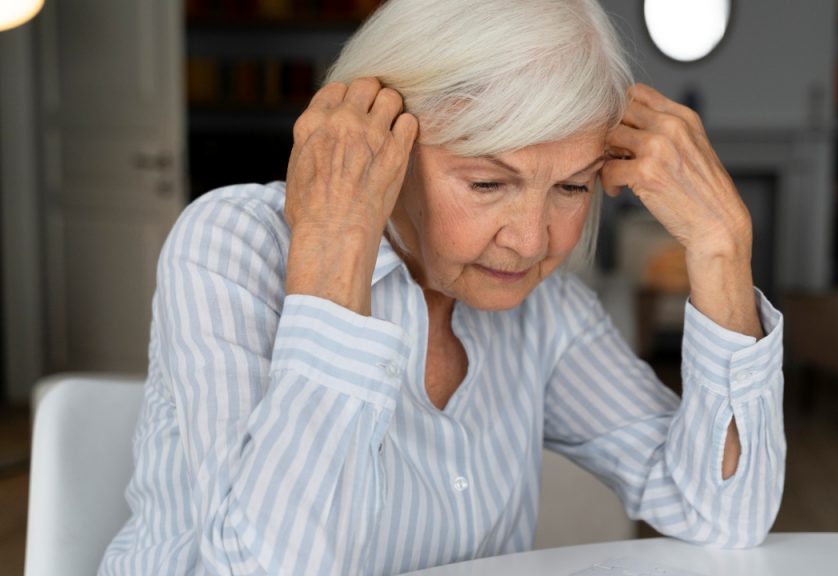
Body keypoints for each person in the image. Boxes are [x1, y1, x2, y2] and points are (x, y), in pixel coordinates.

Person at [100, 0, 786, 574]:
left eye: (572, 187)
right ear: (382, 141)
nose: (533, 240)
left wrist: (721, 245)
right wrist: (337, 245)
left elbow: (722, 511)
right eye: (489, 183)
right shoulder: (231, 247)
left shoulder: (545, 310)